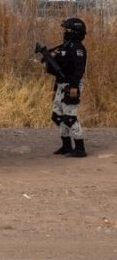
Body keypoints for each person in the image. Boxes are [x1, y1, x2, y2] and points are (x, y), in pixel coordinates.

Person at [44, 17, 88, 158]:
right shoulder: (65, 47)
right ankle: (66, 145)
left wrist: (74, 87)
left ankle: (80, 147)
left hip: (71, 85)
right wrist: (55, 88)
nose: (65, 32)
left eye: (67, 29)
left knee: (70, 117)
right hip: (61, 85)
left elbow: (79, 70)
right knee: (57, 116)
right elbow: (58, 70)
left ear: (74, 31)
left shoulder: (78, 49)